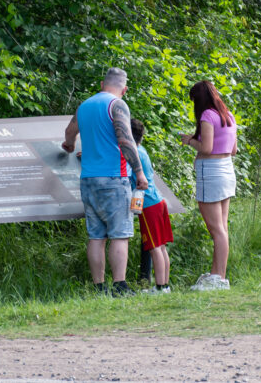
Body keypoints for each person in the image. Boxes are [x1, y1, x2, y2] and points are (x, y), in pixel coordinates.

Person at [63, 67, 148, 297]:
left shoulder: (84, 106)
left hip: (88, 179)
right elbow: (126, 140)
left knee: (96, 236)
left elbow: (69, 132)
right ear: (125, 89)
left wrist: (69, 145)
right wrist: (139, 173)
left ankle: (99, 287)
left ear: (102, 84)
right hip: (114, 178)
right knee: (120, 234)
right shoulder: (117, 105)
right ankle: (120, 286)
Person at [179, 80, 238, 291]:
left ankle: (218, 278)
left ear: (199, 100)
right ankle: (217, 275)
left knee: (216, 230)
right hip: (227, 171)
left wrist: (189, 141)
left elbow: (206, 148)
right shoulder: (228, 115)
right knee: (222, 228)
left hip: (211, 173)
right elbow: (233, 150)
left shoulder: (207, 116)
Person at [129, 119, 174, 294]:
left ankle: (160, 287)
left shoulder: (133, 153)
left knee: (155, 247)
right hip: (158, 201)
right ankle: (165, 286)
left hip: (148, 204)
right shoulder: (142, 150)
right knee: (161, 246)